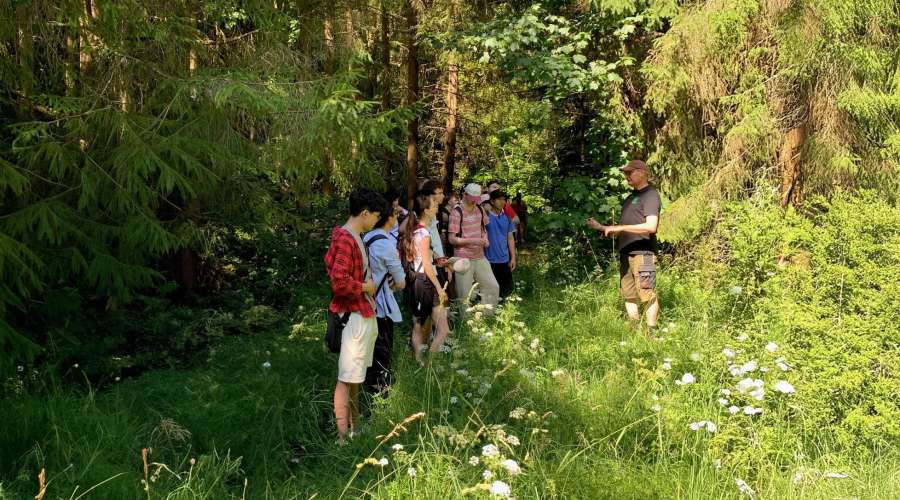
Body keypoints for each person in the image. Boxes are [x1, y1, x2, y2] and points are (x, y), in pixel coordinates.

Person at [324, 188, 384, 443]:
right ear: (364, 213)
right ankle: (341, 438)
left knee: (355, 376)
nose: (375, 222)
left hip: (362, 314)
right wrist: (365, 287)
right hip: (353, 318)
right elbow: (338, 282)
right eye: (375, 216)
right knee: (345, 378)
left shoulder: (354, 236)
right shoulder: (346, 239)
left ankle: (355, 427)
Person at [587, 160, 661, 333]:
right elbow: (626, 228)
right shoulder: (630, 198)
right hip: (626, 254)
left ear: (642, 172)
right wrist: (603, 228)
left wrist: (619, 228)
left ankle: (651, 333)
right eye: (625, 173)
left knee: (647, 292)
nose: (626, 176)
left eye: (630, 172)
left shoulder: (651, 195)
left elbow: (651, 227)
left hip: (644, 254)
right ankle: (635, 331)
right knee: (628, 294)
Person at [401, 192, 451, 364]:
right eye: (434, 205)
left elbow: (425, 259)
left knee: (419, 323)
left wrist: (443, 261)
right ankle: (429, 361)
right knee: (440, 329)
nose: (437, 207)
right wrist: (439, 288)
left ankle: (421, 360)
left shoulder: (415, 231)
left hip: (418, 281)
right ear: (426, 210)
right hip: (426, 281)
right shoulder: (424, 233)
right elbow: (427, 266)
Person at [362, 203, 407, 395]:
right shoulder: (385, 243)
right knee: (382, 353)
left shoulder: (368, 237)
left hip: (364, 301)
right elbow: (401, 282)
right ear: (389, 218)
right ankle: (381, 394)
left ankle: (368, 388)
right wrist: (393, 284)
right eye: (394, 213)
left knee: (369, 351)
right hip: (380, 306)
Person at [449, 183, 500, 310]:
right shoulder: (456, 212)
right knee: (464, 294)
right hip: (463, 258)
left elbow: (484, 229)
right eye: (473, 198)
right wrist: (474, 240)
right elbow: (452, 239)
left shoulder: (480, 209)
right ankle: (464, 324)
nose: (475, 202)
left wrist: (485, 239)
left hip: (480, 256)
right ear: (465, 194)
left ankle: (488, 315)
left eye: (477, 199)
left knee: (492, 286)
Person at [485, 190, 517, 299]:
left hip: (504, 259)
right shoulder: (485, 217)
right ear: (492, 201)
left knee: (507, 290)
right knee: (491, 290)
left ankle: (506, 312)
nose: (502, 202)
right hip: (489, 259)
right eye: (499, 199)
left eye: (504, 199)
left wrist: (513, 258)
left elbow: (510, 238)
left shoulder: (507, 218)